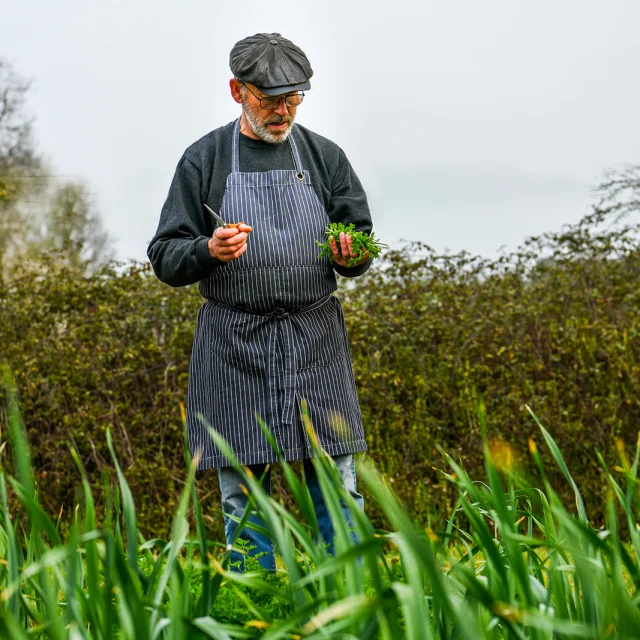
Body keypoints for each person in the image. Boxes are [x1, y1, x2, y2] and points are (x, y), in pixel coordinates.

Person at [147, 32, 374, 571]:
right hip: (234, 348)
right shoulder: (202, 160)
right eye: (269, 98)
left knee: (337, 489)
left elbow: (360, 238)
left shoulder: (324, 157)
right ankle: (257, 604)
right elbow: (164, 255)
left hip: (314, 343)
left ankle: (347, 601)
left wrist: (350, 256)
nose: (282, 110)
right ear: (236, 91)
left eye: (294, 98)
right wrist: (207, 249)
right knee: (244, 498)